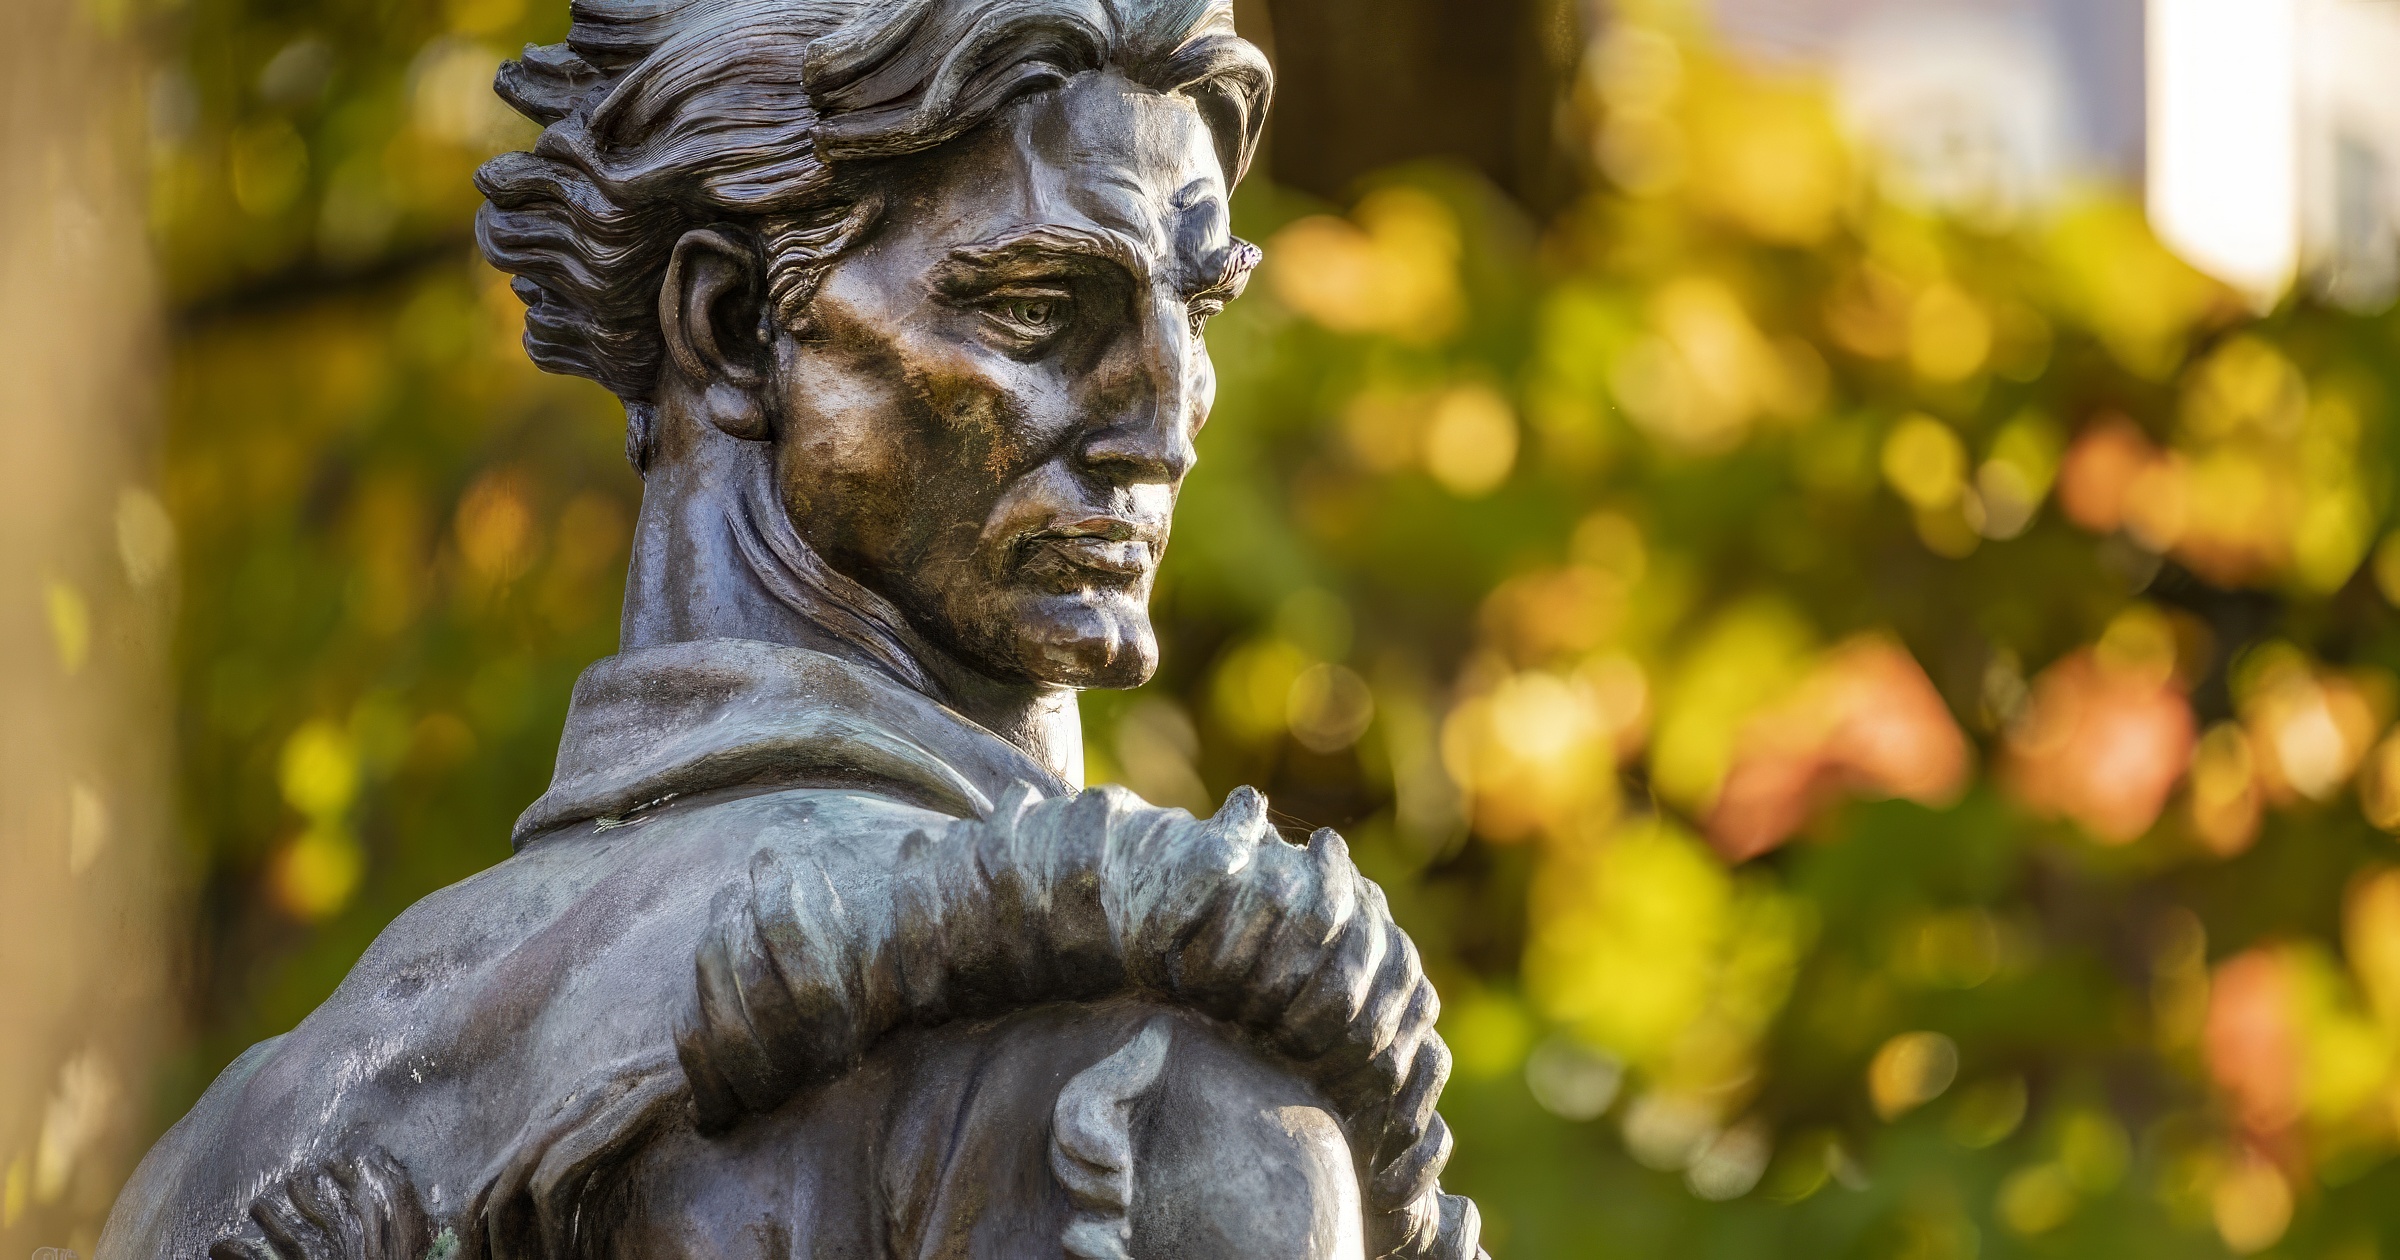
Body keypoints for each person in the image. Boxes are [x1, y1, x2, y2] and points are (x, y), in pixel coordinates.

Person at [101, 1, 1483, 1256]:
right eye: (1040, 306)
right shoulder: (1145, 1058)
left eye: (1200, 309)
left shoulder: (223, 1160)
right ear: (729, 322)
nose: (1164, 420)